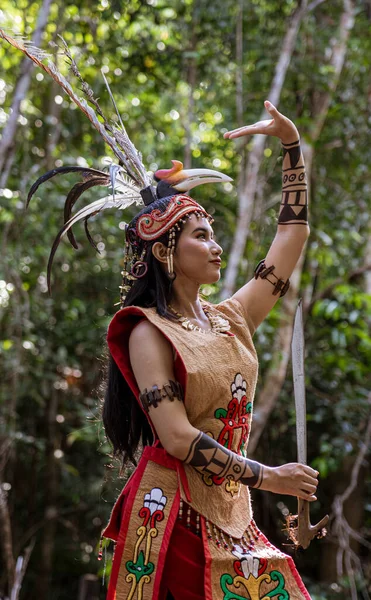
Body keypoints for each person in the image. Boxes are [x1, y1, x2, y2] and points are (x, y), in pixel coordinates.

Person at [101, 101, 318, 600]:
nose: (216, 245)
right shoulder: (147, 332)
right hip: (172, 513)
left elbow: (293, 234)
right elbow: (177, 438)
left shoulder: (231, 318)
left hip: (230, 509)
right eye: (202, 236)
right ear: (164, 251)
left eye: (215, 235)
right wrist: (272, 478)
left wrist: (291, 147)